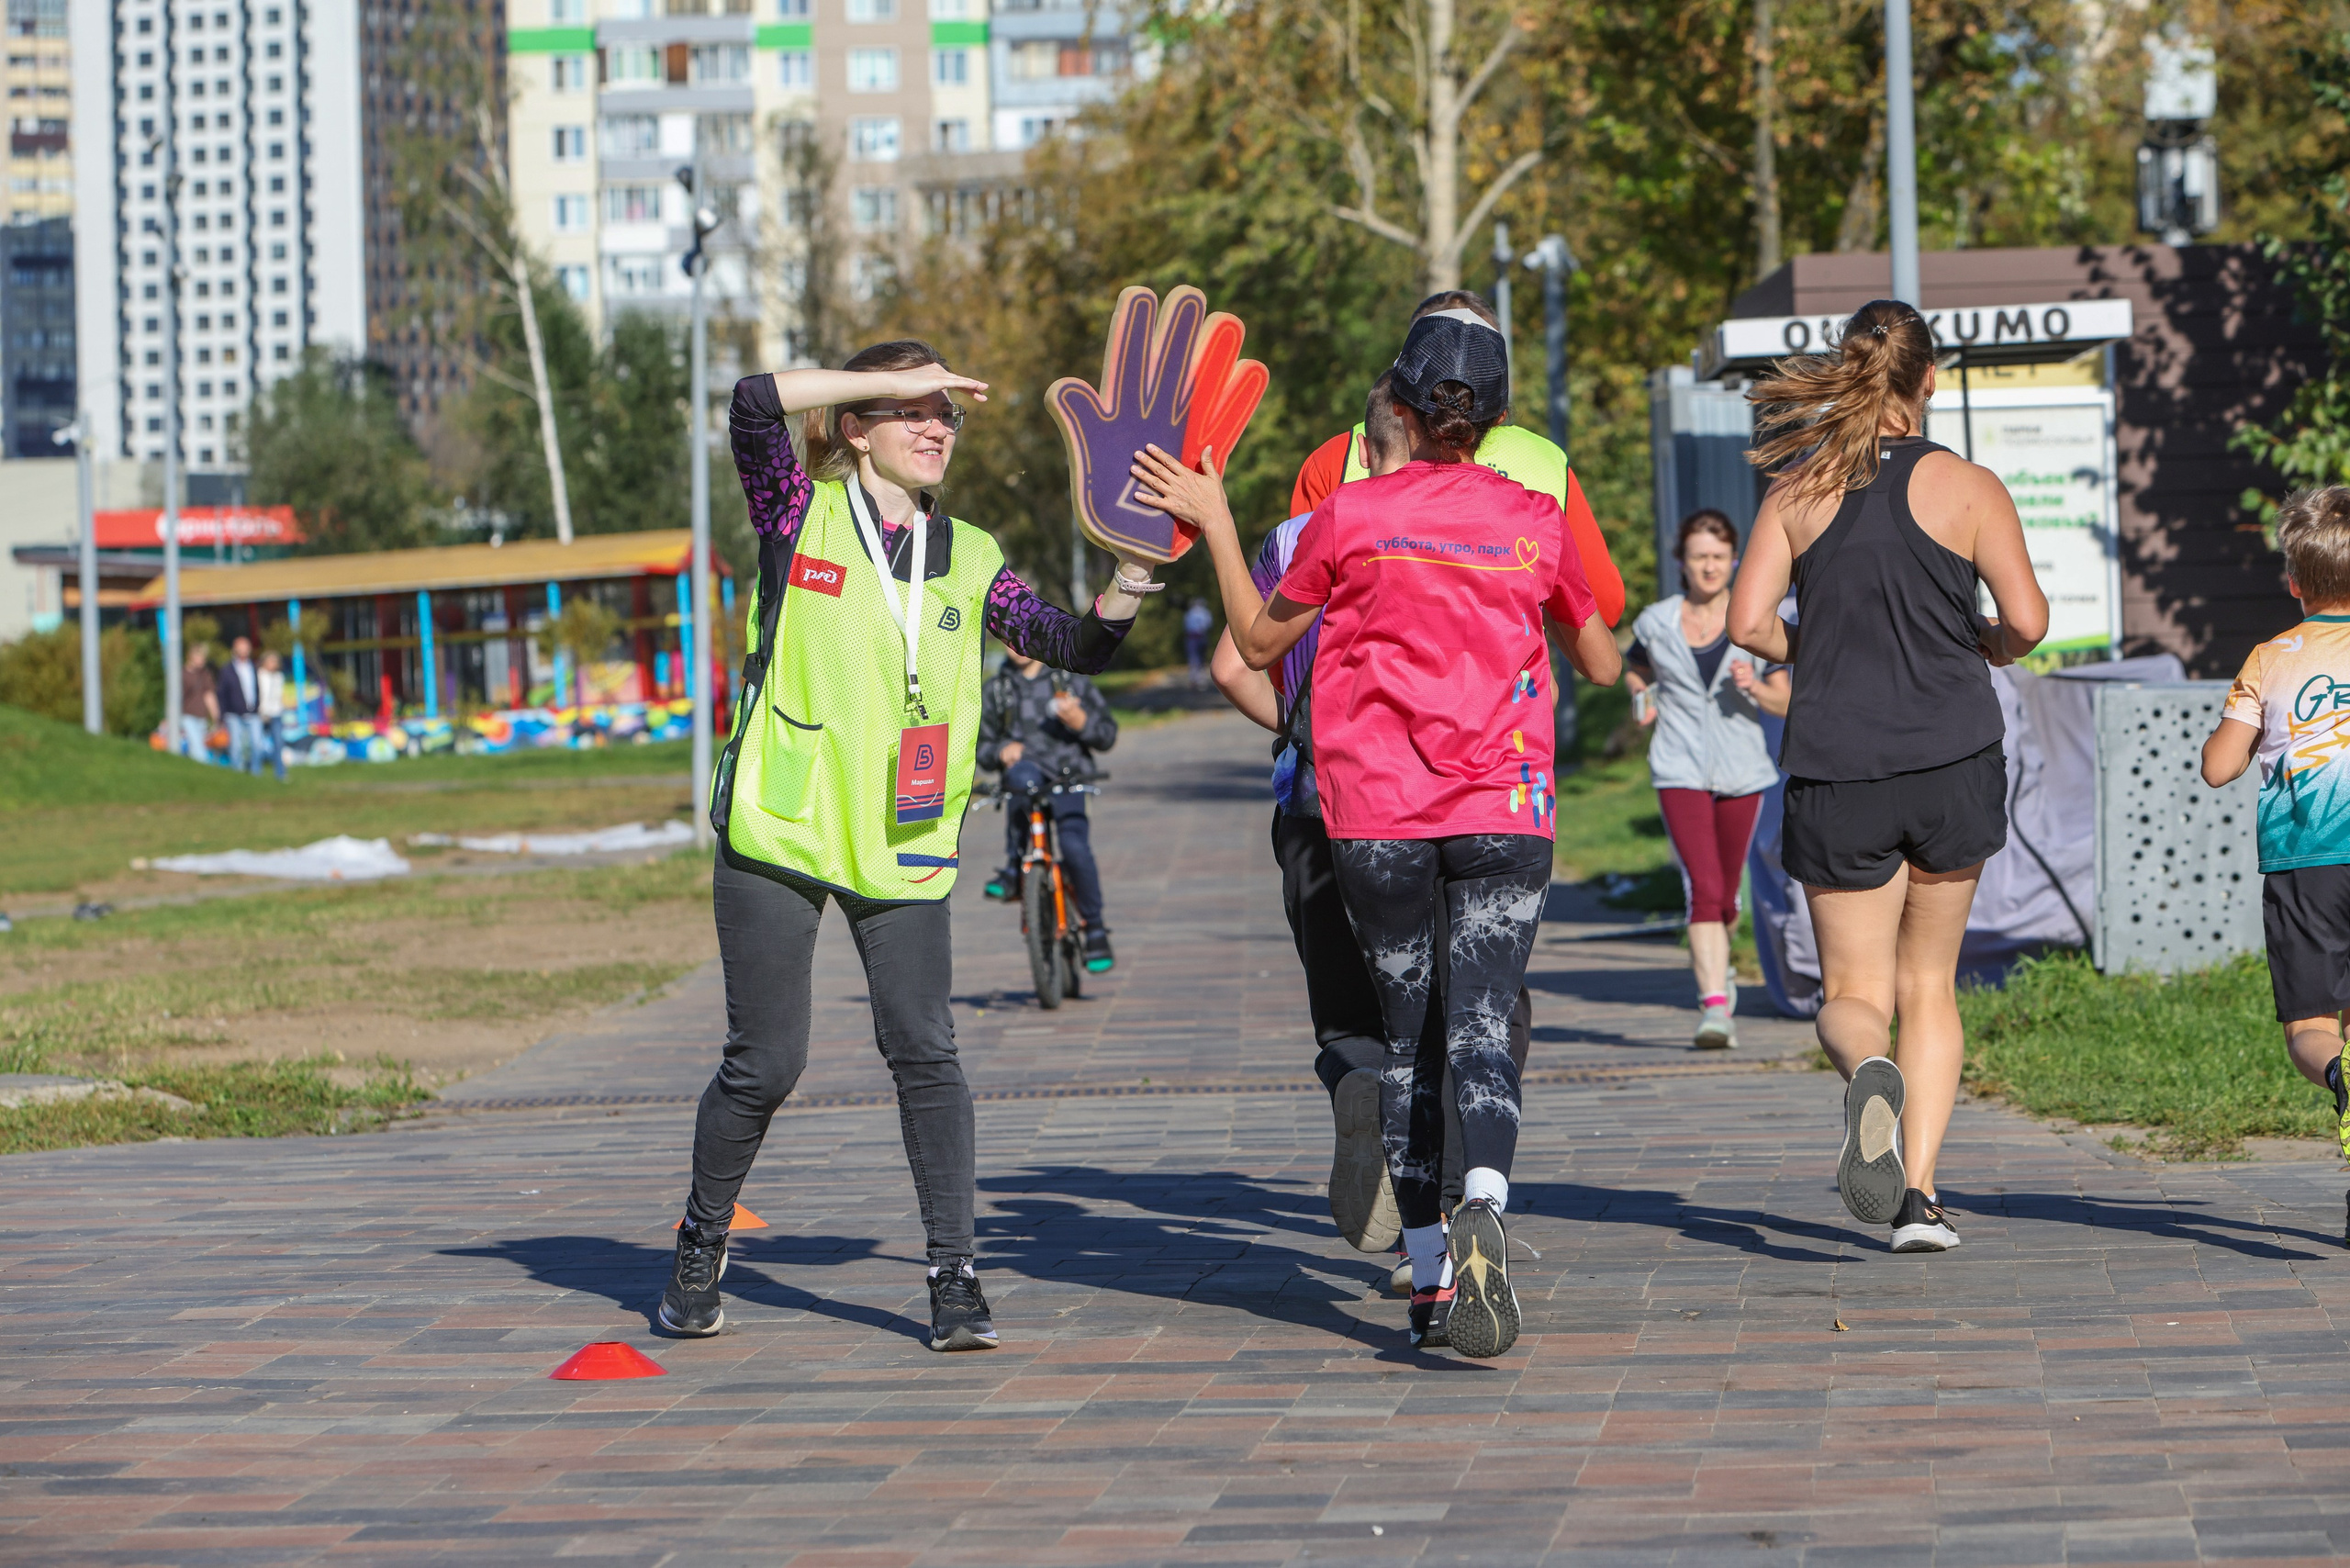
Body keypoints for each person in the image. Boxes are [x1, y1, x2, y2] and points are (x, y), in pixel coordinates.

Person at [1138, 308, 1621, 1359]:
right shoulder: (1533, 516)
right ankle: (1485, 1193)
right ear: (1492, 422)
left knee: (1408, 1038)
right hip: (1505, 808)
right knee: (1482, 1026)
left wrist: (1219, 525)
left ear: (1397, 406)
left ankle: (1431, 1278)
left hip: (1380, 814)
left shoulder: (1346, 519)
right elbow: (1602, 662)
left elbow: (1257, 644)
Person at [664, 340, 1160, 1351]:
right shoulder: (795, 513)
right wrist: (876, 379)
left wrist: (1132, 581)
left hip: (902, 834)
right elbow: (753, 404)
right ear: (859, 424)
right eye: (912, 409)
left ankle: (953, 1278)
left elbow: (1068, 642)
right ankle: (699, 1242)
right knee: (767, 1062)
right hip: (784, 824)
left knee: (924, 1049)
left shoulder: (969, 554)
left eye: (946, 412)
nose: (937, 426)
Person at [1726, 297, 2047, 1254]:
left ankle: (1869, 1069)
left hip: (1837, 763)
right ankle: (1918, 1197)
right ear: (1930, 380)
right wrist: (1984, 641)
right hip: (1952, 755)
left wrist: (1816, 644)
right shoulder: (1969, 486)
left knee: (1851, 992)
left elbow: (1746, 625)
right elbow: (2026, 622)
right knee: (1931, 985)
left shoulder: (1798, 488)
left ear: (1847, 373)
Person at [1207, 377, 1416, 1261]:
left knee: (1345, 1007)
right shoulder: (1458, 531)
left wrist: (1296, 727)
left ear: (1359, 451)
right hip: (1419, 806)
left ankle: (1354, 1077)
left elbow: (1231, 664)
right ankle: (1434, 1231)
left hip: (1312, 802)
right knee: (1430, 1007)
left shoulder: (1294, 538)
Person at [2200, 486, 2350, 1160]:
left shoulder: (2271, 657)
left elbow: (2218, 767)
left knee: (2311, 1027)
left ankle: (2338, 1075)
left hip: (2307, 863)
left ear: (2294, 582)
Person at [1625, 510, 1790, 1049]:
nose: (1710, 566)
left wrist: (1754, 689)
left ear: (1735, 561)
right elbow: (1637, 668)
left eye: (1719, 556)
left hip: (1744, 771)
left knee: (1726, 896)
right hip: (1680, 767)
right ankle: (1714, 1008)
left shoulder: (1755, 621)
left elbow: (1785, 701)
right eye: (1699, 556)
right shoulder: (1656, 621)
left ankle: (1720, 969)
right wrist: (1641, 699)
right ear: (1682, 562)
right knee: (1703, 886)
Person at [978, 651, 1118, 973]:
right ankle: (1015, 867)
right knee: (1019, 779)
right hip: (1026, 780)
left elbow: (1107, 734)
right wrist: (1000, 751)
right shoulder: (997, 690)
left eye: (1022, 634)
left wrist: (1081, 722)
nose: (1015, 645)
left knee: (1073, 846)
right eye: (1007, 636)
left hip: (1070, 776)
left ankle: (1094, 928)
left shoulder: (1070, 679)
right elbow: (982, 747)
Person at [218, 635, 264, 776]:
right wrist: (222, 714)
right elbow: (222, 693)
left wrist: (258, 706)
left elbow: (258, 688)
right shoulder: (227, 670)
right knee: (236, 747)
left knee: (257, 745)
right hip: (234, 714)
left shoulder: (254, 667)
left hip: (253, 712)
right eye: (241, 647)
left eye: (246, 647)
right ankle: (237, 774)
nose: (244, 650)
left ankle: (256, 774)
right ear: (235, 649)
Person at [178, 644, 217, 761]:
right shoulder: (182, 673)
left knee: (198, 745)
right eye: (200, 657)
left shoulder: (205, 674)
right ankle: (204, 770)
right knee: (197, 747)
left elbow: (209, 695)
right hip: (187, 714)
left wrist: (215, 715)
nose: (203, 660)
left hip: (201, 715)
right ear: (192, 657)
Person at [257, 648, 289, 781]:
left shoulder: (279, 677)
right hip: (261, 713)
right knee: (256, 743)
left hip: (276, 713)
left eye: (275, 661)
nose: (273, 664)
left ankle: (280, 772)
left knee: (278, 743)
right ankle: (256, 770)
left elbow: (279, 695)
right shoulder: (258, 675)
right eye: (271, 661)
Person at [1182, 597, 1214, 689]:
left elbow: (1186, 626)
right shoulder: (1205, 612)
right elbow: (1209, 624)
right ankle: (1200, 679)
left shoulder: (1189, 613)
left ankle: (1193, 679)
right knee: (1201, 658)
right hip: (1201, 637)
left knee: (1193, 658)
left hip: (1192, 638)